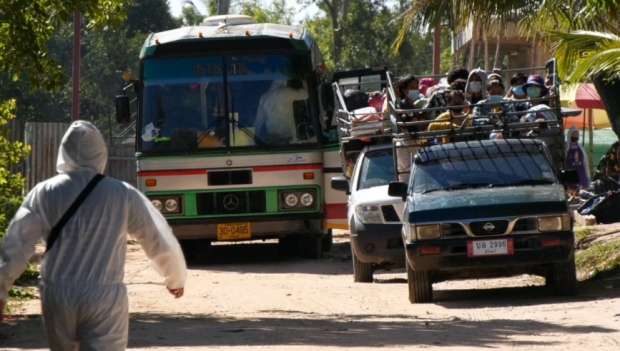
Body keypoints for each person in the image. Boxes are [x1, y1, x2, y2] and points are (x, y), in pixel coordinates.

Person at [0, 121, 187, 350]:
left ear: (64, 151)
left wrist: (1, 289)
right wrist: (174, 277)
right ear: (101, 153)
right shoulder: (121, 193)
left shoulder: (43, 192)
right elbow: (156, 237)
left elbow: (16, 244)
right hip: (104, 294)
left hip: (57, 294)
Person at [253, 79, 308, 144]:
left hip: (274, 141)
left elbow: (258, 124)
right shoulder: (287, 92)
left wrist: (255, 141)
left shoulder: (263, 98)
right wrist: (305, 82)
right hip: (291, 139)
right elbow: (306, 95)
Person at [566, 125, 590, 192]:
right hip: (570, 177)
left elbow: (585, 162)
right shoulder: (566, 147)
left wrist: (588, 175)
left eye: (577, 134)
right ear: (570, 134)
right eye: (574, 134)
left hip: (582, 176)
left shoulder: (581, 148)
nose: (575, 135)